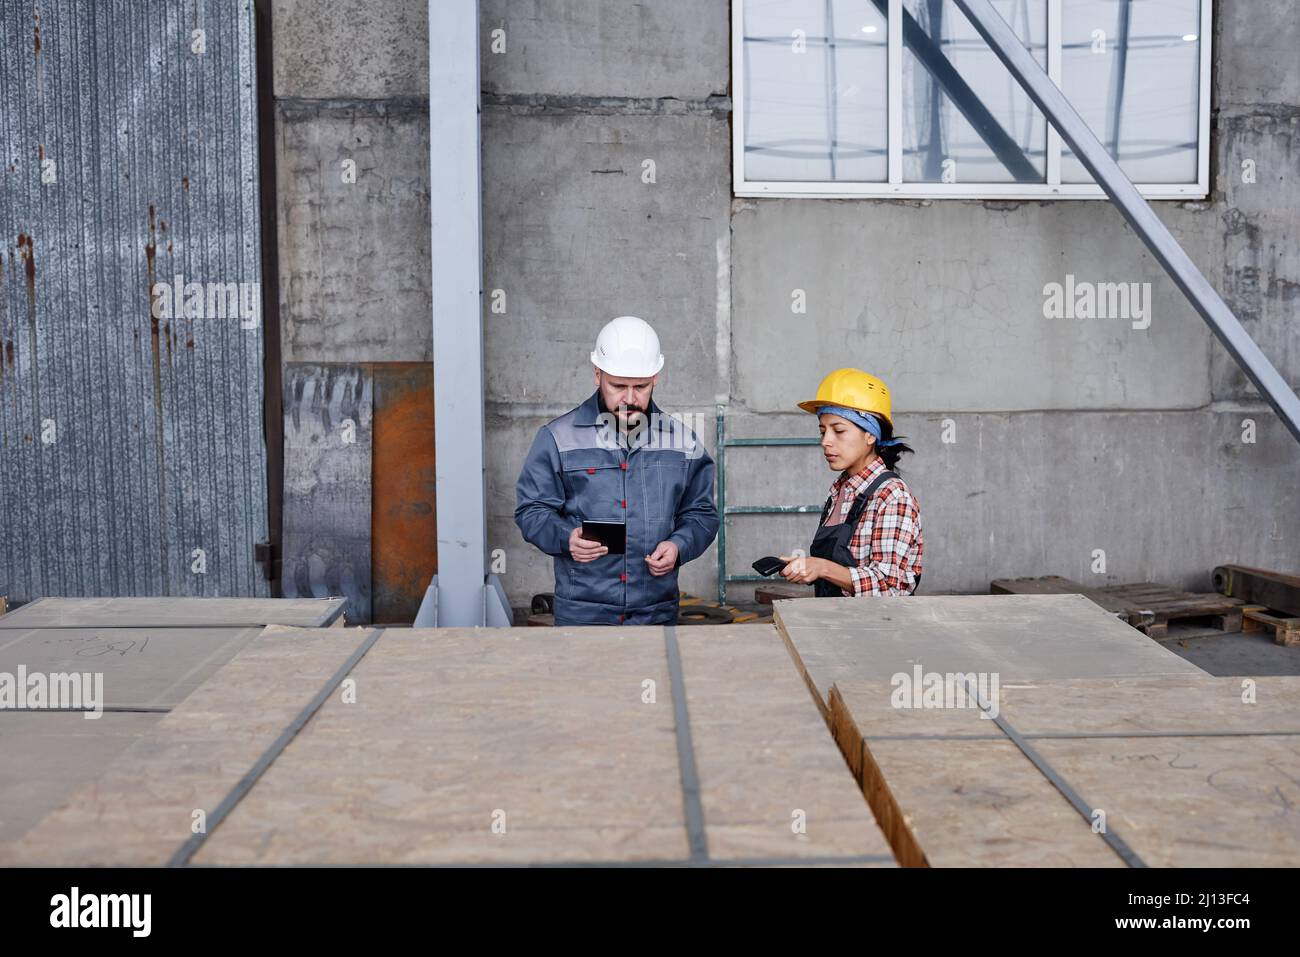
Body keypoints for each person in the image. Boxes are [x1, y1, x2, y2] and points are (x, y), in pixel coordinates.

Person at [515, 316, 719, 625]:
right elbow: (532, 510)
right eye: (618, 385)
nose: (629, 398)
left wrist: (679, 545)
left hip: (655, 613)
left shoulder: (682, 441)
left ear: (656, 378)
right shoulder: (557, 438)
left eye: (641, 387)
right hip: (584, 614)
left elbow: (702, 513)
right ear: (597, 375)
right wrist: (565, 538)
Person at [779, 368, 923, 596]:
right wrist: (808, 568)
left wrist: (822, 567)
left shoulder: (891, 496)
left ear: (870, 435)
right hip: (834, 625)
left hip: (873, 629)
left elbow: (891, 588)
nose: (826, 441)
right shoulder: (840, 490)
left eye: (838, 431)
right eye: (822, 431)